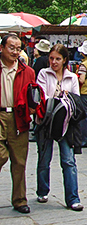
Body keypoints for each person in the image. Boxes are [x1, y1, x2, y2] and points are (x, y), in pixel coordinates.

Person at [35, 44, 83, 211]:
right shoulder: (43, 74)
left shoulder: (72, 77)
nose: (54, 62)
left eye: (57, 59)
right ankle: (42, 190)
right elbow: (43, 97)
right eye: (51, 58)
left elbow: (76, 100)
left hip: (66, 123)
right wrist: (62, 99)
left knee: (68, 161)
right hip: (47, 122)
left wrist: (63, 100)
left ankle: (73, 198)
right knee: (44, 159)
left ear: (64, 60)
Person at [0, 33, 36, 214]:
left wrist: (33, 107)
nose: (15, 52)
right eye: (11, 48)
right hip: (0, 115)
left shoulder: (27, 71)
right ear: (2, 48)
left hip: (18, 117)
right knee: (1, 155)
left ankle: (20, 199)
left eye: (18, 48)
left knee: (19, 161)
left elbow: (34, 94)